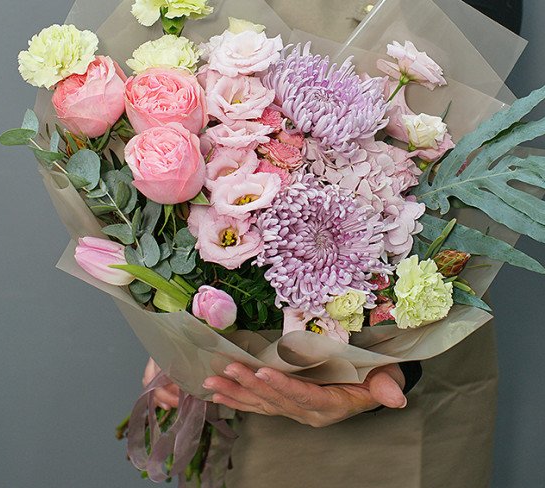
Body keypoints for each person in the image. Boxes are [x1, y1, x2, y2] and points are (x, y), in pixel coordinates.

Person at [143, 1, 524, 486]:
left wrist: (396, 363)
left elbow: (468, 66)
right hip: (231, 362)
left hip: (402, 361)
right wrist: (180, 324)